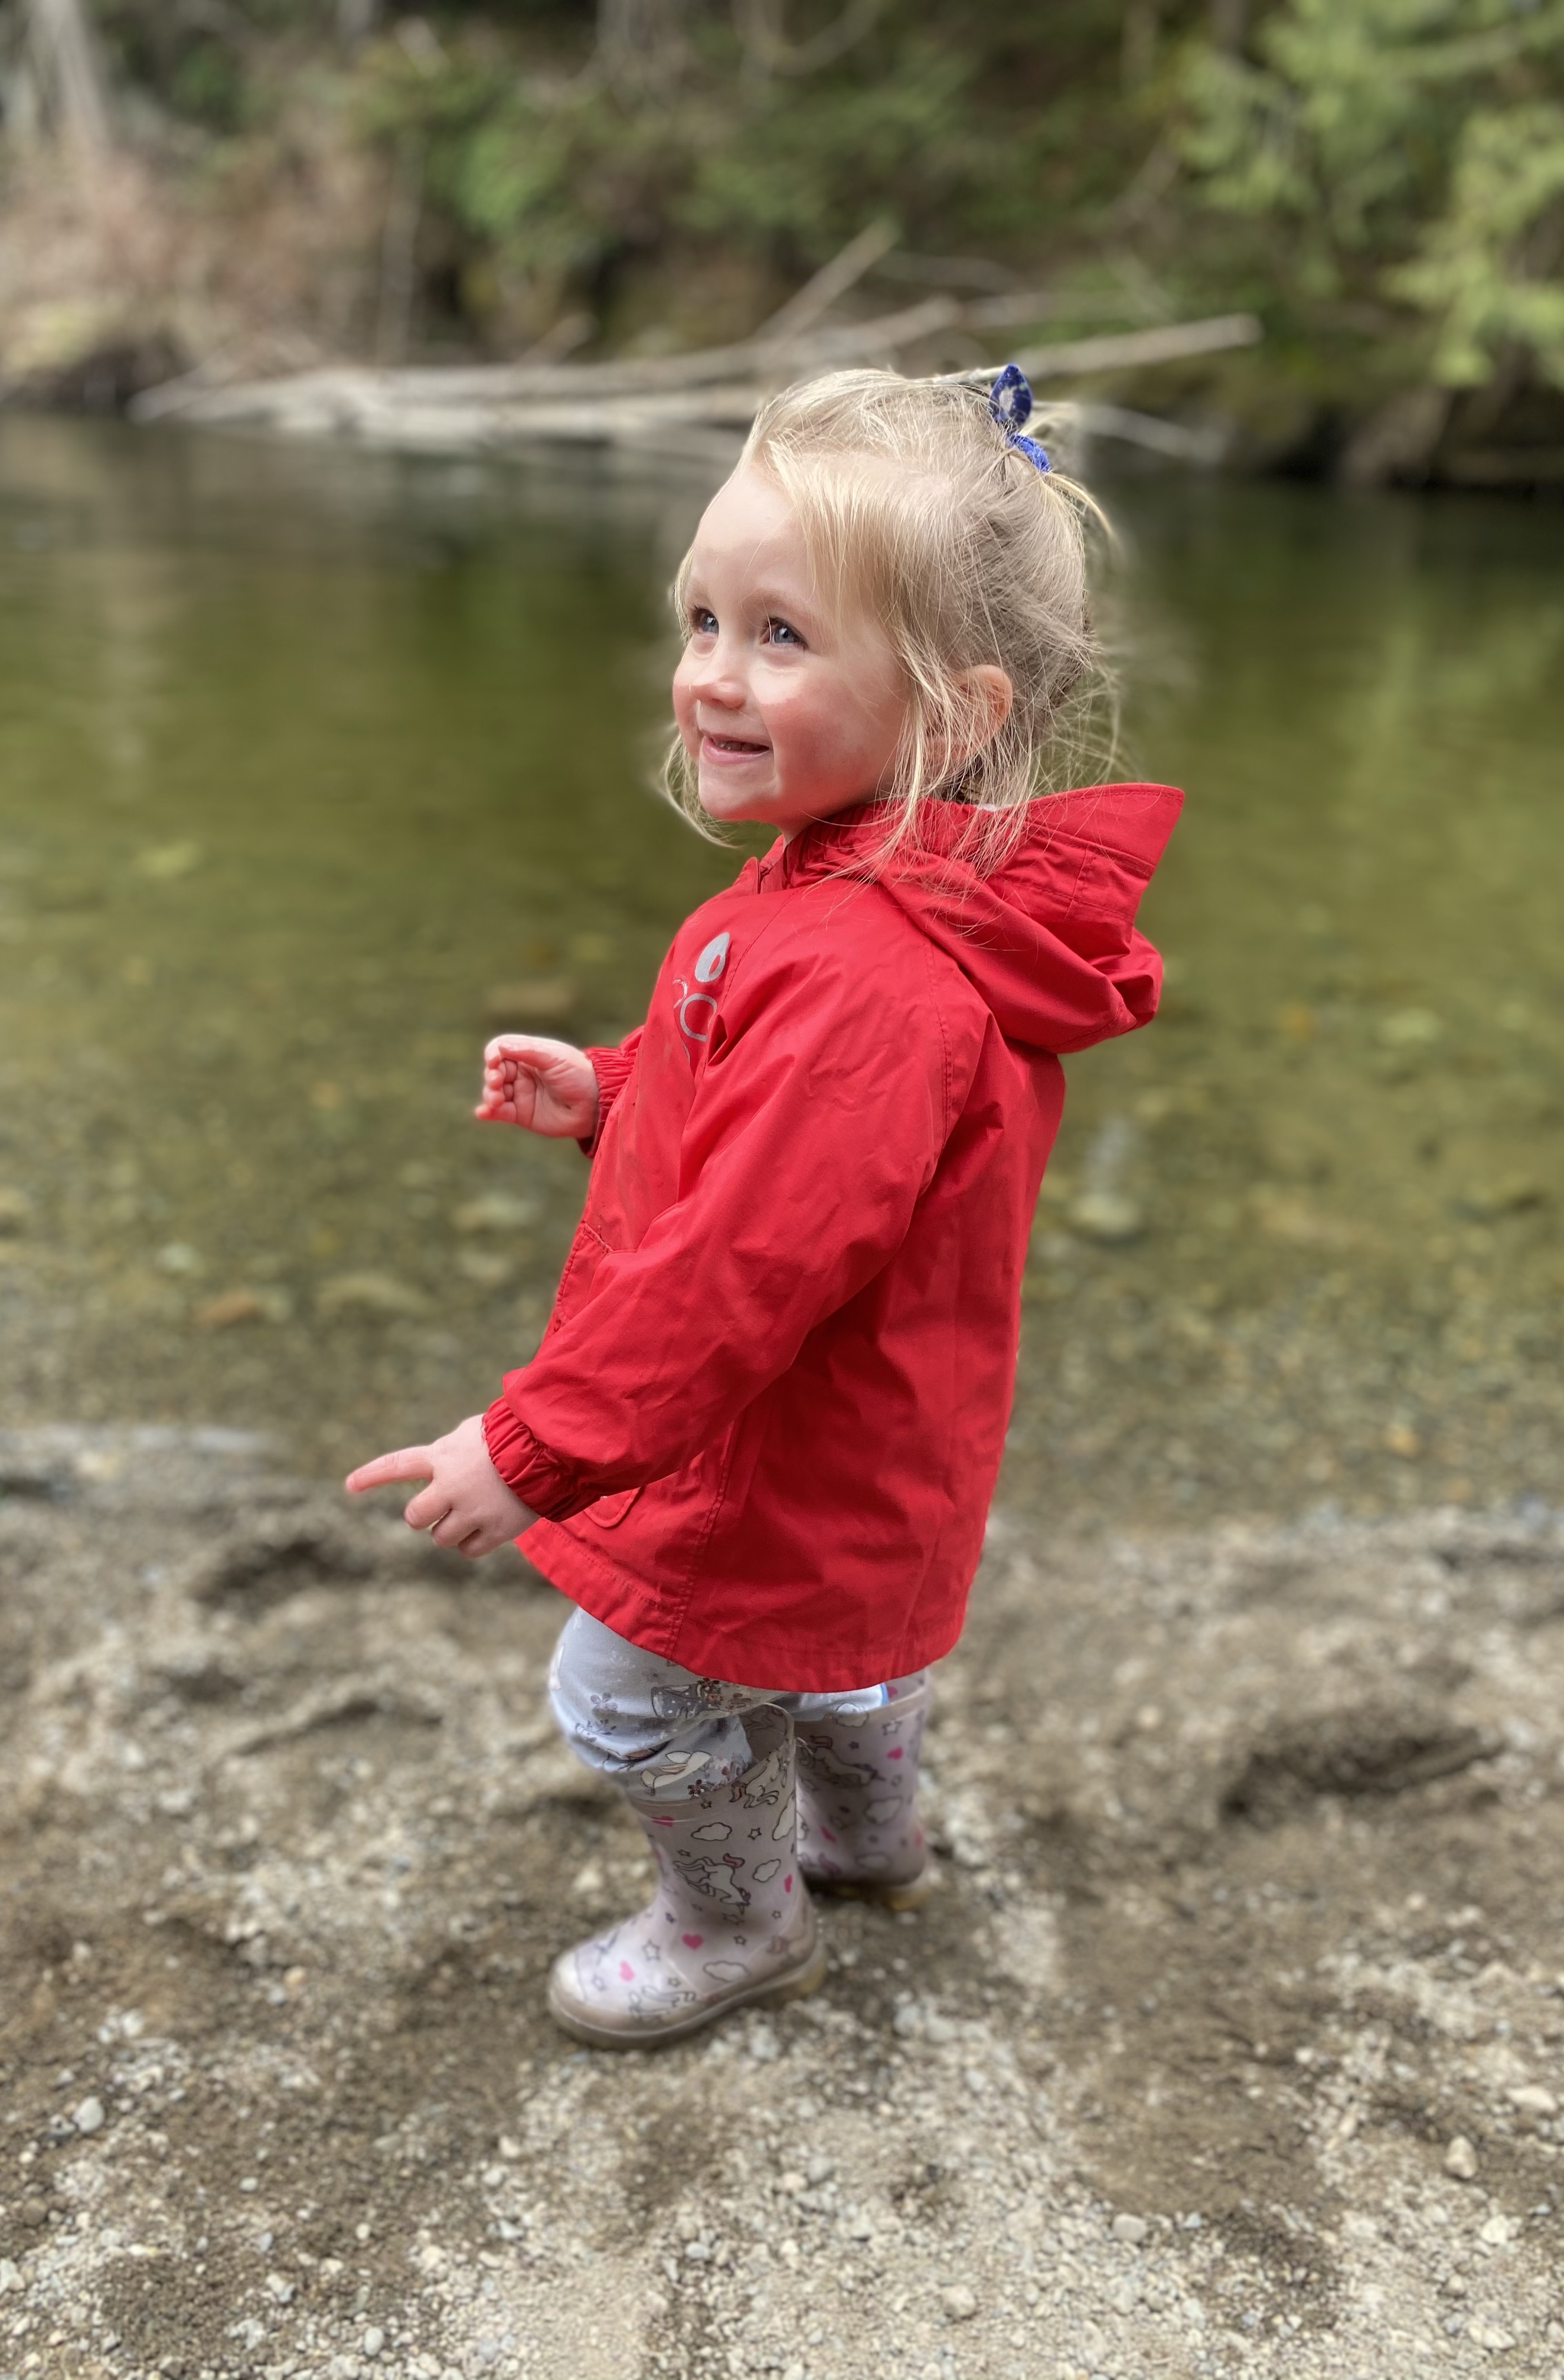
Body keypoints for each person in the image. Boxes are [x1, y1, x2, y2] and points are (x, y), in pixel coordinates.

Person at [347, 364, 1181, 2048]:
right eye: (704, 619)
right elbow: (798, 1147)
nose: (711, 676)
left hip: (770, 1464)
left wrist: (528, 1446)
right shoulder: (882, 902)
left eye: (781, 637)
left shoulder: (872, 976)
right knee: (850, 1663)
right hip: (882, 1454)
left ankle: (740, 1923)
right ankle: (872, 1844)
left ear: (947, 717)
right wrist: (618, 1091)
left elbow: (739, 1268)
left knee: (620, 1696)